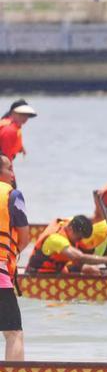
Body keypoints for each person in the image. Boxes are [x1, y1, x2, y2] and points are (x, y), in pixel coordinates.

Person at [0, 154, 29, 360]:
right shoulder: (13, 195)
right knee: (13, 332)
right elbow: (24, 238)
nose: (13, 173)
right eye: (10, 168)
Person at [26, 215, 107, 275]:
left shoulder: (70, 223)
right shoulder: (56, 239)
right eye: (79, 238)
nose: (79, 241)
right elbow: (79, 257)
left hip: (58, 269)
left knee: (92, 270)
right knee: (89, 268)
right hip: (40, 273)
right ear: (71, 229)